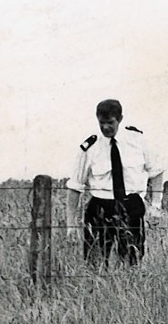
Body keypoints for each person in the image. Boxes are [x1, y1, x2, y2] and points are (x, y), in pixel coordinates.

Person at [66, 99, 163, 266]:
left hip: (131, 205)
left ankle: (128, 291)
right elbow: (75, 187)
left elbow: (156, 172)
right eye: (101, 123)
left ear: (120, 119)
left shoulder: (137, 140)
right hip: (100, 208)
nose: (105, 128)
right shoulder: (90, 147)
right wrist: (71, 226)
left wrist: (155, 206)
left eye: (110, 123)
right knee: (94, 262)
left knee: (132, 261)